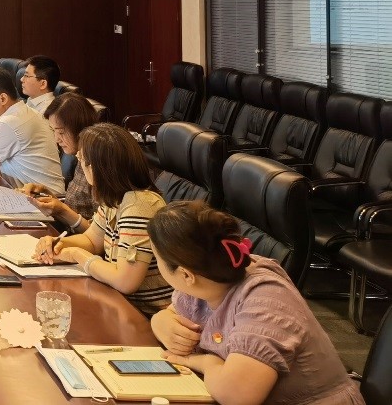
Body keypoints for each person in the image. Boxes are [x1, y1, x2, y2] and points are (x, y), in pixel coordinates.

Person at [147, 201, 361, 405]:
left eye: (157, 259)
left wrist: (205, 362)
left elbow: (237, 395)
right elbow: (173, 313)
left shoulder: (266, 298)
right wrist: (160, 320)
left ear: (186, 274)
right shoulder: (208, 276)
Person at [35, 123, 172, 315]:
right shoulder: (114, 199)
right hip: (121, 305)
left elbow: (125, 281)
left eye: (82, 159)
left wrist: (76, 254)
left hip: (148, 316)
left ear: (96, 167)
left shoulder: (139, 205)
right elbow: (92, 241)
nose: (80, 163)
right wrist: (58, 243)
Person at [18, 92, 98, 230]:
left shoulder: (99, 163)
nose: (56, 139)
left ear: (81, 129)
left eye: (61, 132)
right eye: (53, 131)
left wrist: (62, 210)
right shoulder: (81, 154)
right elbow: (76, 204)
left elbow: (100, 235)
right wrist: (44, 194)